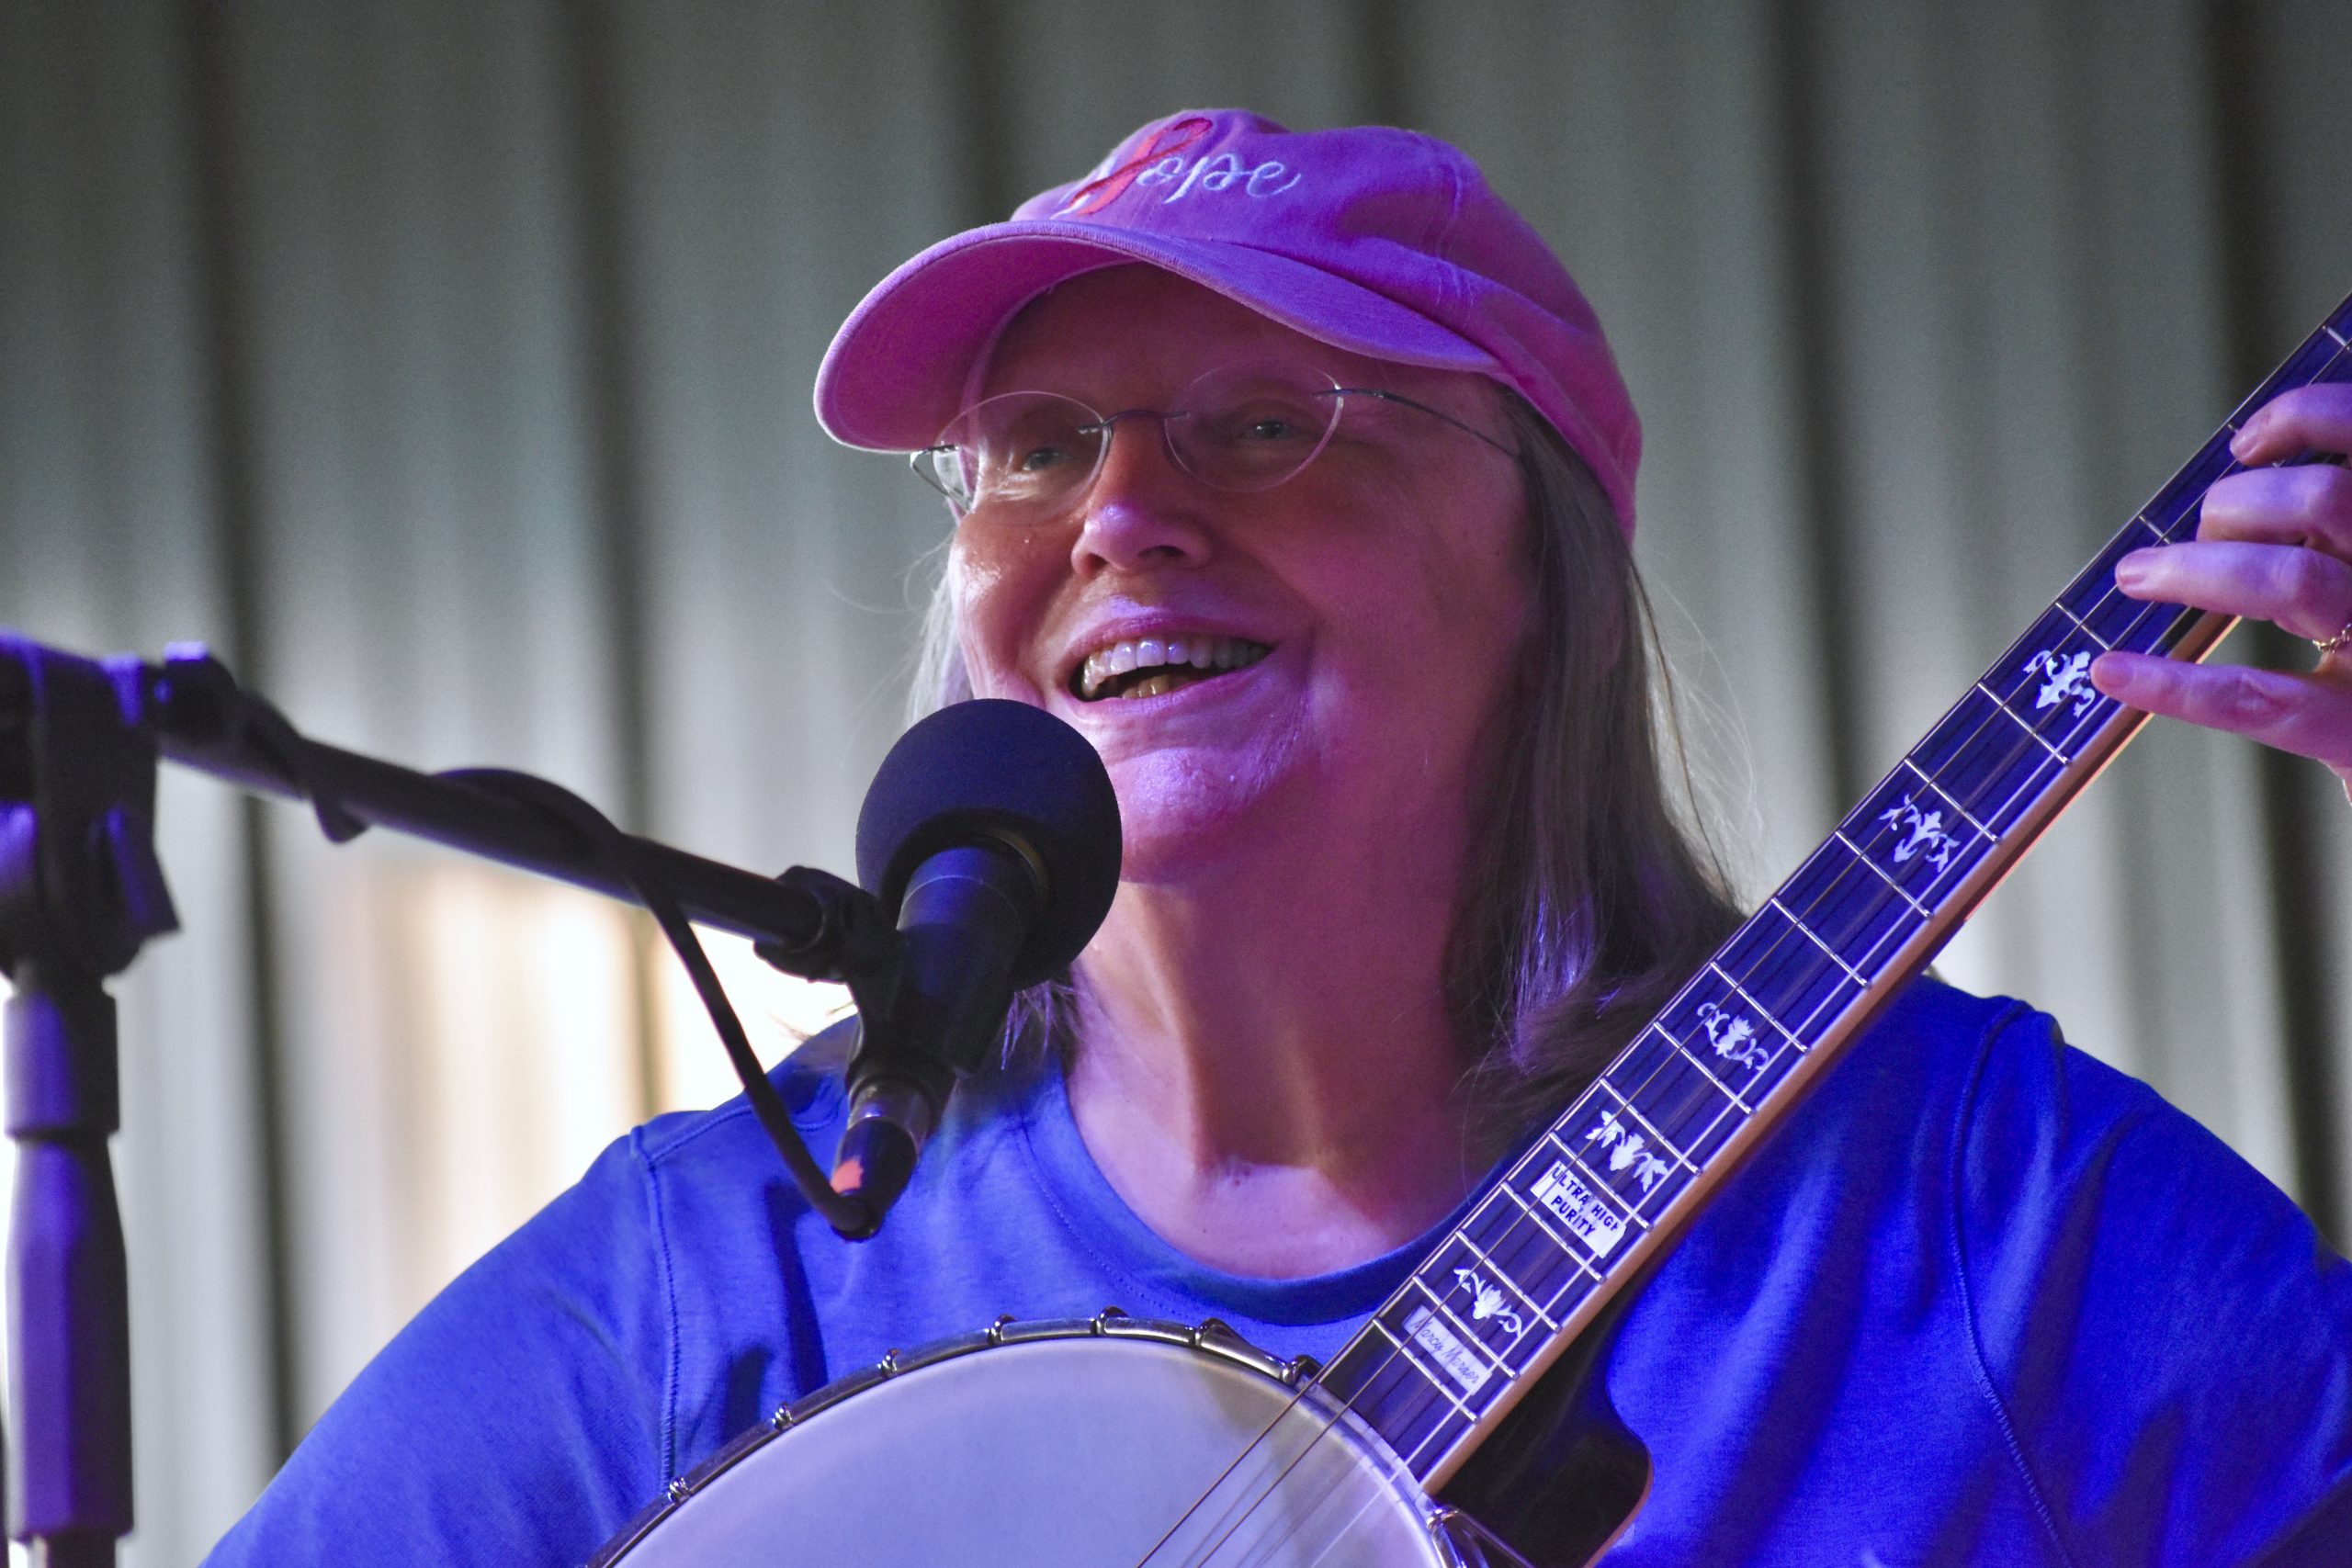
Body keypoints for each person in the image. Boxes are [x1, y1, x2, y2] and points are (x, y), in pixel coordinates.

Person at [206, 110, 2351, 1564]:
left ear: (1539, 565)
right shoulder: (720, 1284)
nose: (1119, 516)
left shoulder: (1972, 1197)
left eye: (1261, 421)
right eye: (1034, 448)